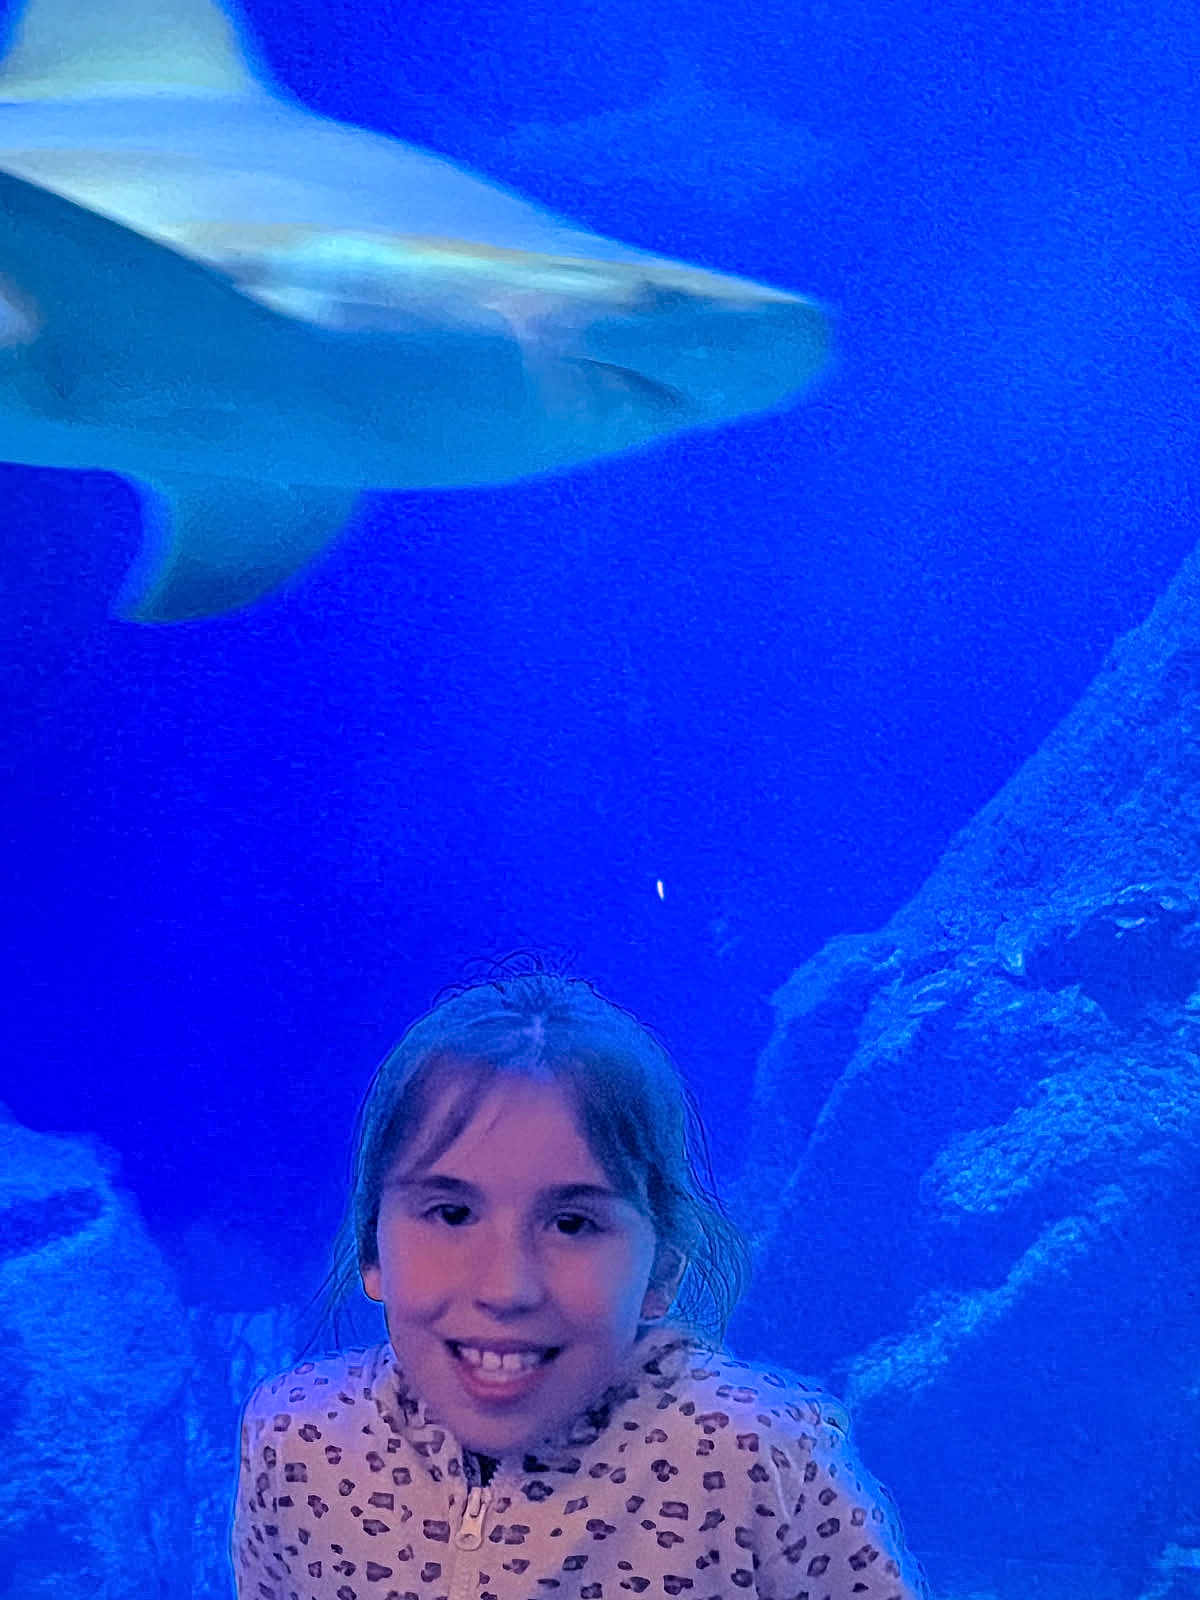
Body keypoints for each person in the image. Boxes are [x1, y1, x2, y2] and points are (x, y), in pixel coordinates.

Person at [231, 962, 930, 1599]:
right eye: (450, 1212)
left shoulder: (762, 1462)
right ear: (371, 1248)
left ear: (662, 1268)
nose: (507, 1287)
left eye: (571, 1223)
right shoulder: (296, 1445)